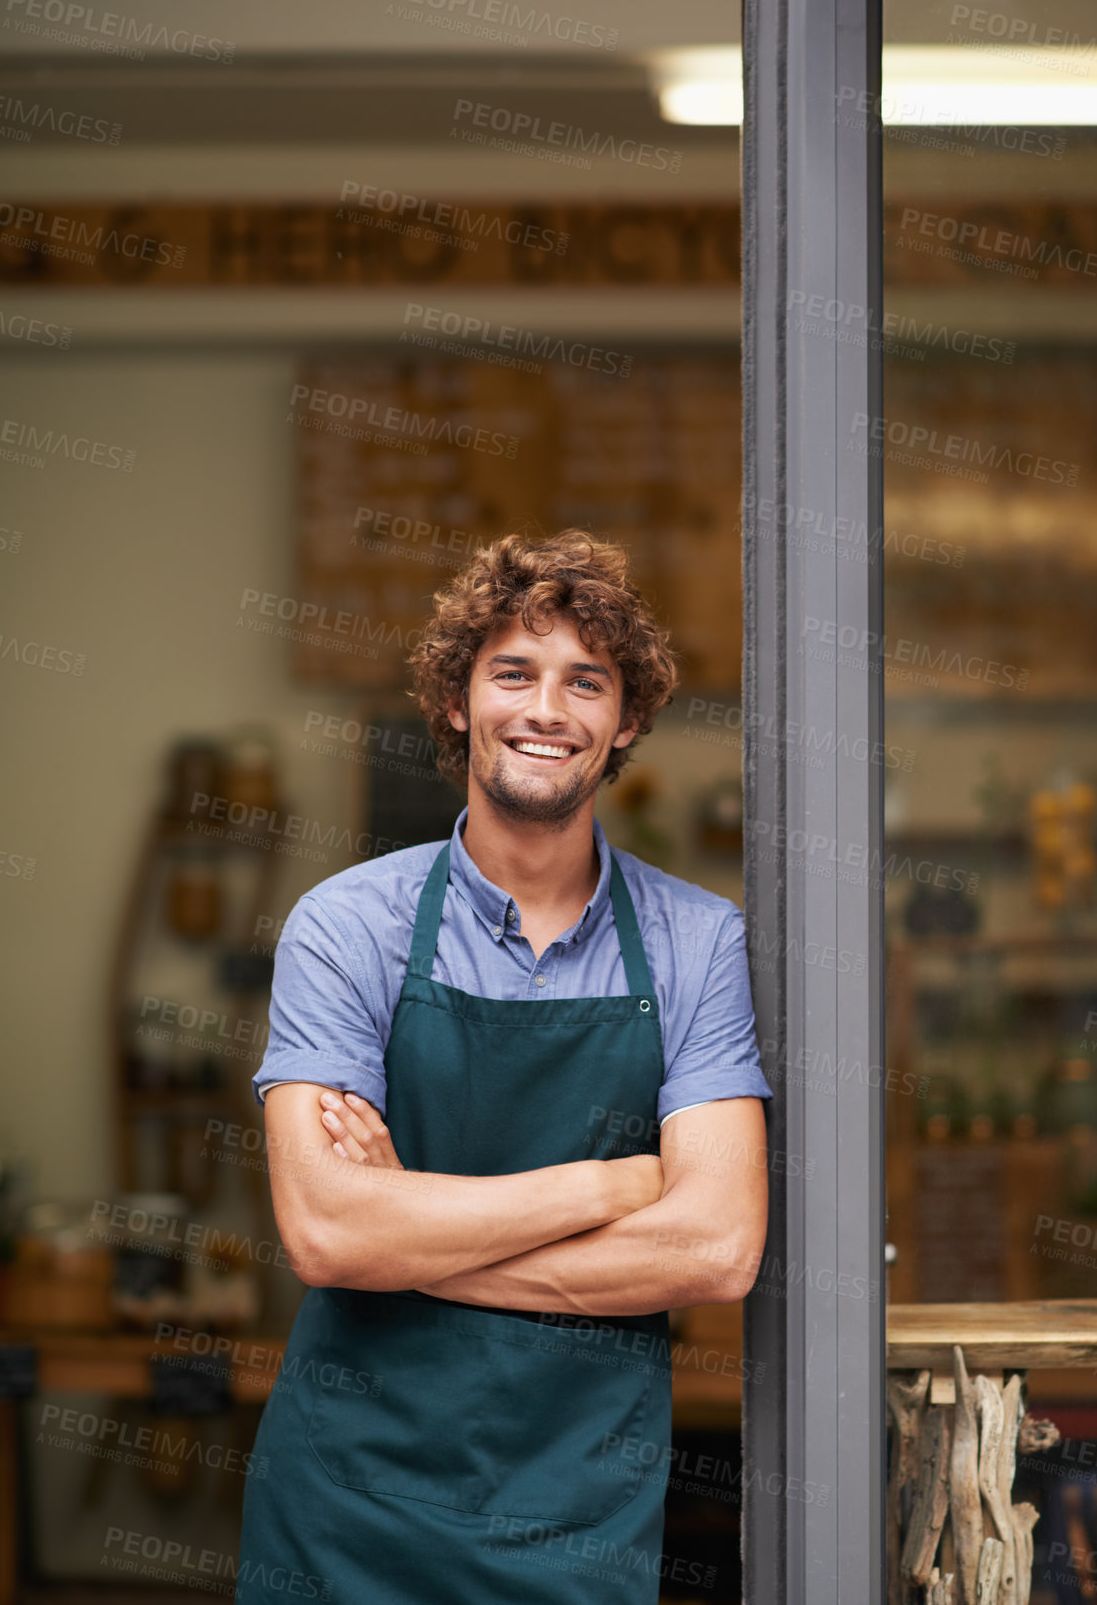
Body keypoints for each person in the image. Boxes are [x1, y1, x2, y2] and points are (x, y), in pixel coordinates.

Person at [237, 530, 772, 1604]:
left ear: (624, 721)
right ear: (455, 699)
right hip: (348, 1506)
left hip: (576, 1511)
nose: (545, 708)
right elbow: (326, 1228)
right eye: (511, 672)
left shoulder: (697, 940)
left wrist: (411, 1245)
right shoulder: (349, 927)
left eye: (585, 680)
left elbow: (714, 1249)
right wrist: (614, 1184)